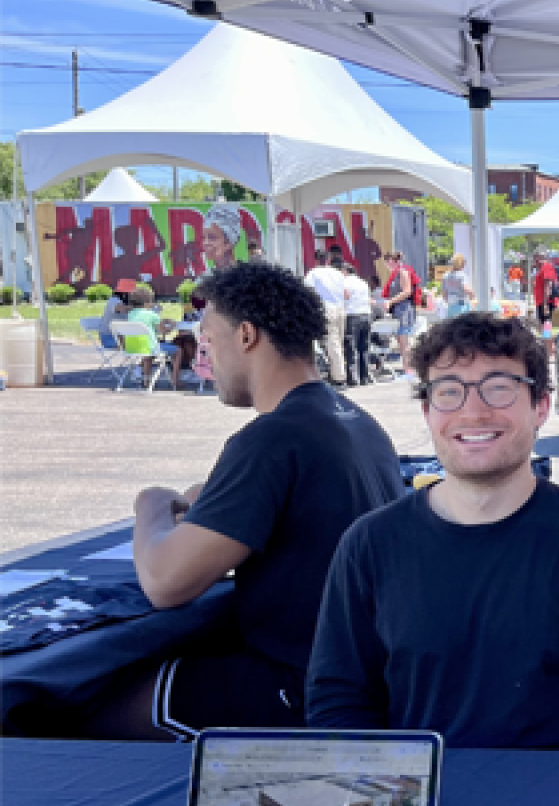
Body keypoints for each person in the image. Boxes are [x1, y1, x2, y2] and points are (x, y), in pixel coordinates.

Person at [308, 314, 559, 751]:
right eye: (448, 392)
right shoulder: (369, 545)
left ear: (540, 405)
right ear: (427, 411)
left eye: (499, 388)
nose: (473, 411)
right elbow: (339, 701)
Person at [80, 262, 404, 740]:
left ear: (246, 335)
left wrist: (151, 503)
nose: (200, 359)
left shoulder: (273, 437)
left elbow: (165, 582)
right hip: (365, 673)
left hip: (304, 685)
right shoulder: (354, 420)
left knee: (82, 701)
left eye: (208, 340)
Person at [123, 285, 182, 388]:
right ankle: (175, 381)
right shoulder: (152, 314)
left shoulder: (131, 314)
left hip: (133, 347)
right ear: (146, 303)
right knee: (178, 351)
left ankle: (146, 380)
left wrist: (162, 321)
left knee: (148, 355)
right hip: (150, 347)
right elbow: (164, 331)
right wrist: (172, 325)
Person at [304, 250, 348, 386]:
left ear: (316, 260)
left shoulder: (313, 273)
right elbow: (346, 293)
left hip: (326, 309)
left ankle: (339, 378)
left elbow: (307, 291)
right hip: (341, 309)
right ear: (328, 259)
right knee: (338, 343)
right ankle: (336, 372)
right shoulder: (338, 273)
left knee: (332, 343)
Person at [383, 251, 420, 380]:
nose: (386, 266)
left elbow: (407, 291)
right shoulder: (397, 273)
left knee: (404, 342)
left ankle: (409, 371)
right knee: (401, 341)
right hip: (399, 310)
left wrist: (390, 301)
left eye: (386, 263)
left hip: (404, 310)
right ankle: (407, 369)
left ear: (391, 261)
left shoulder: (402, 272)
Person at [342, 263, 373, 387]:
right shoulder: (363, 282)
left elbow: (346, 296)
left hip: (352, 315)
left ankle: (353, 379)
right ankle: (364, 377)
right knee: (364, 347)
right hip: (366, 315)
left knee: (352, 347)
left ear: (345, 271)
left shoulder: (345, 282)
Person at [201, 203, 244, 274]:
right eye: (203, 237)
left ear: (229, 242)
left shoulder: (246, 278)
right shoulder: (204, 280)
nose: (205, 243)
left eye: (212, 237)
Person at [441, 254, 474, 318]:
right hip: (461, 305)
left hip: (451, 305)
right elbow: (466, 288)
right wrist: (473, 295)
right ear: (461, 264)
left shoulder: (445, 276)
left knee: (452, 325)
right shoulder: (462, 275)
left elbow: (444, 294)